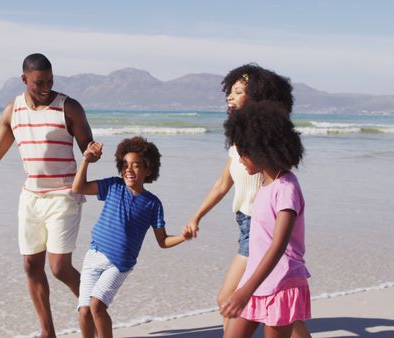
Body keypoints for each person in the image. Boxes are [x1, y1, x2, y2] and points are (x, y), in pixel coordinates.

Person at [0, 53, 98, 338]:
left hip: (63, 195)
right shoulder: (11, 110)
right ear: (24, 79)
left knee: (59, 268)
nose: (45, 87)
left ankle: (96, 306)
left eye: (50, 81)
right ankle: (47, 332)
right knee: (30, 265)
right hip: (31, 197)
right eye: (38, 82)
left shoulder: (69, 108)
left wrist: (92, 152)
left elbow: (87, 146)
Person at [183, 63, 310, 337]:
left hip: (266, 237)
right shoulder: (241, 140)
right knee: (281, 313)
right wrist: (196, 215)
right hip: (250, 227)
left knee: (233, 299)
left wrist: (246, 290)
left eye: (238, 91)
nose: (229, 96)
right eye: (229, 91)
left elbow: (280, 245)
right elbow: (222, 183)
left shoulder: (267, 144)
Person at [72, 137, 191, 338]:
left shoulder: (153, 204)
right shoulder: (113, 186)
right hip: (94, 256)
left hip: (119, 264)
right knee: (84, 311)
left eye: (136, 165)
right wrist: (86, 160)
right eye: (125, 164)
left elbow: (162, 241)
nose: (129, 169)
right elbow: (78, 187)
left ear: (148, 170)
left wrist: (182, 236)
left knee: (97, 306)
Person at [219, 101, 310, 338]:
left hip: (281, 283)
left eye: (244, 154)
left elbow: (278, 246)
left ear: (263, 151)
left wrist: (245, 291)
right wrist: (247, 286)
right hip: (256, 281)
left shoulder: (286, 188)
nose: (240, 160)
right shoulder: (265, 183)